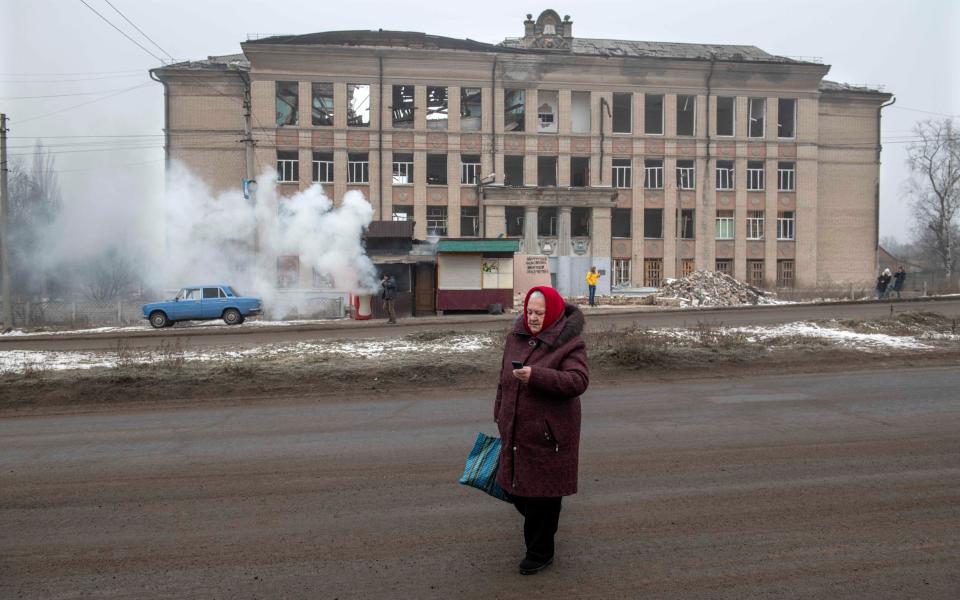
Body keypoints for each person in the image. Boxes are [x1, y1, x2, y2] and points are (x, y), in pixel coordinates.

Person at [494, 286, 589, 575]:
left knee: (541, 498)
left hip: (550, 435)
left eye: (539, 313)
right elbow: (502, 379)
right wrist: (499, 412)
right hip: (516, 430)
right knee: (516, 490)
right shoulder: (516, 337)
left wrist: (537, 376)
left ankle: (540, 552)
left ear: (553, 313)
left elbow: (577, 381)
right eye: (530, 312)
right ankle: (545, 526)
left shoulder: (569, 344)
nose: (533, 318)